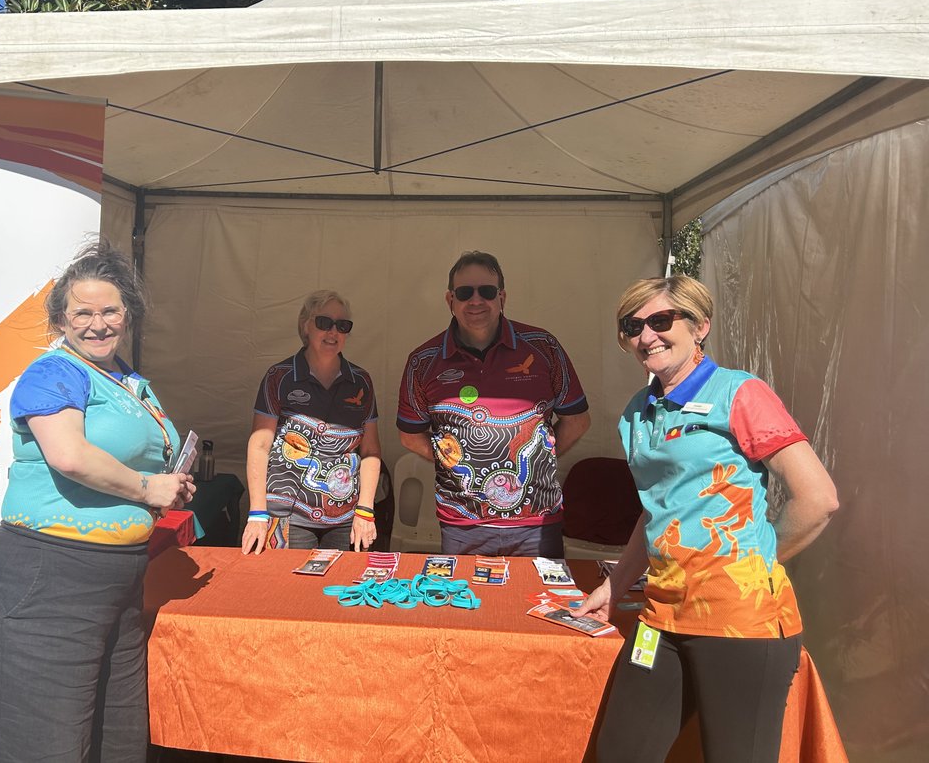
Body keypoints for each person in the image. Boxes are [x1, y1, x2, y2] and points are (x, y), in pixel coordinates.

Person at [574, 275, 839, 763]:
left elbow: (817, 498)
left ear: (700, 327)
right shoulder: (637, 411)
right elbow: (656, 508)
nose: (647, 335)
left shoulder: (740, 393)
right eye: (634, 325)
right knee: (619, 752)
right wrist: (616, 585)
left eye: (660, 320)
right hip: (661, 616)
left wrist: (751, 563)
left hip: (740, 623)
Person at [0, 240, 195, 763]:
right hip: (48, 579)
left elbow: (142, 460)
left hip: (117, 580)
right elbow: (69, 456)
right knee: (39, 747)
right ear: (60, 320)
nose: (98, 323)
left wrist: (167, 483)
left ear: (128, 315)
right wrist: (146, 490)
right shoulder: (54, 373)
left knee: (114, 744)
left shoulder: (130, 381)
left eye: (110, 310)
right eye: (83, 312)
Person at [396, 250, 591, 556]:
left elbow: (578, 420)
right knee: (466, 604)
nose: (476, 301)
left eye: (486, 291)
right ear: (450, 300)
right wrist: (455, 465)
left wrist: (542, 456)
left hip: (537, 524)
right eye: (465, 293)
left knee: (539, 603)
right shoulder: (423, 361)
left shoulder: (543, 347)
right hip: (462, 525)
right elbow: (409, 435)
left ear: (502, 297)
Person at [242, 289, 382, 553]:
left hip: (345, 518)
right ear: (306, 326)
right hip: (287, 515)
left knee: (341, 591)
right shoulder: (279, 377)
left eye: (342, 326)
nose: (333, 332)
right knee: (287, 590)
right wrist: (257, 513)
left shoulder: (361, 382)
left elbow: (371, 452)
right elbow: (259, 445)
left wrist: (365, 510)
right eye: (323, 323)